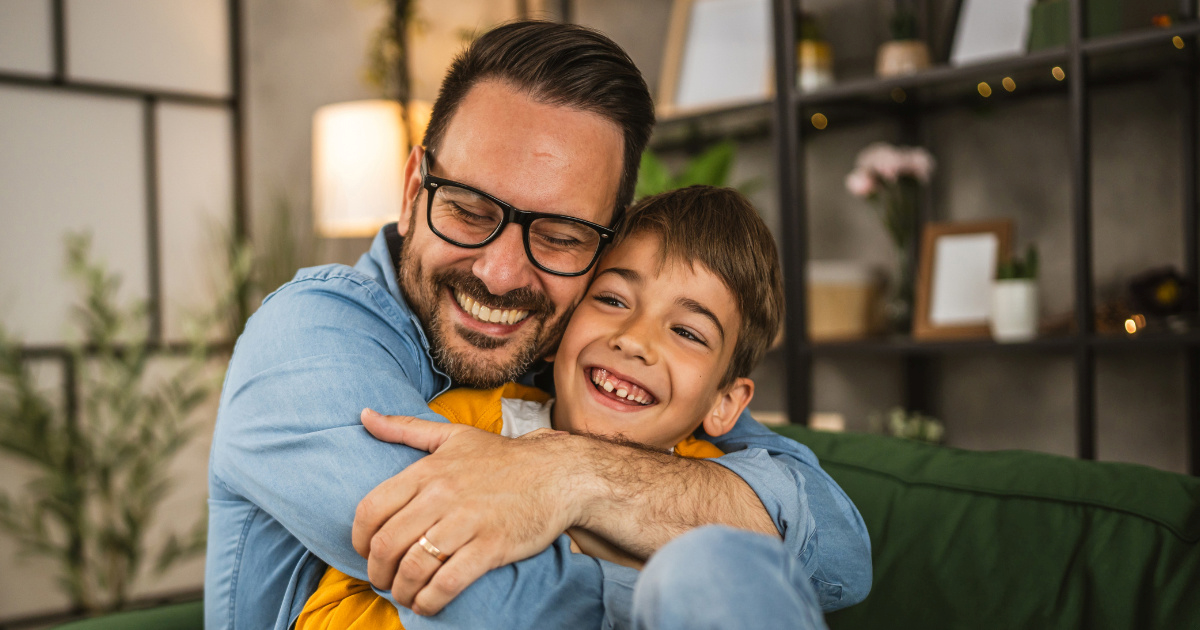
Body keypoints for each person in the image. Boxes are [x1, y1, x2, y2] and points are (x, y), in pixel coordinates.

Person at [205, 20, 871, 630]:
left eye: (557, 234)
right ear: (413, 191)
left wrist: (568, 474)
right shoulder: (305, 340)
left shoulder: (581, 345)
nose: (498, 274)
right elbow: (482, 600)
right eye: (468, 209)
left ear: (606, 243)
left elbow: (837, 548)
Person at [295, 185, 801, 628]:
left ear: (725, 402)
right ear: (557, 332)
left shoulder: (718, 495)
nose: (635, 341)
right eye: (613, 300)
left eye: (688, 332)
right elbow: (329, 614)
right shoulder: (464, 424)